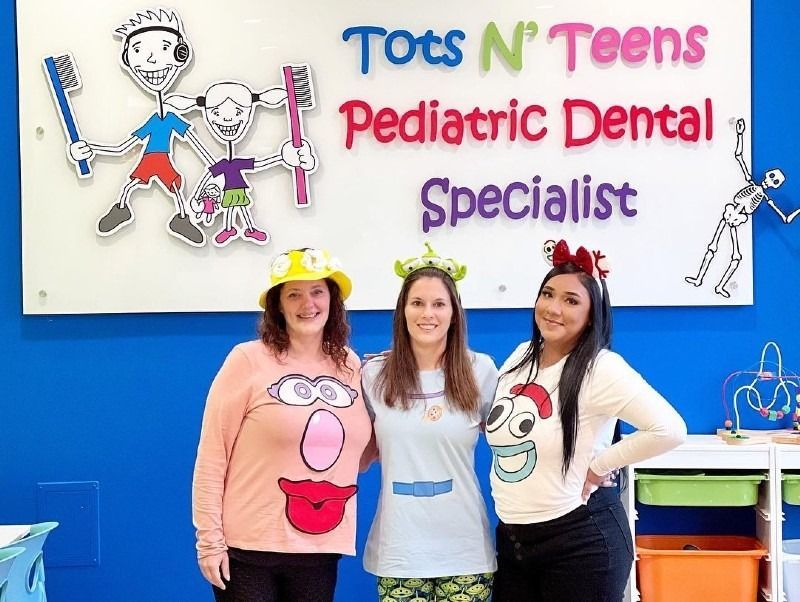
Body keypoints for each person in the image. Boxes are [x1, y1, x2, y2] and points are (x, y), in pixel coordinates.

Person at [486, 239, 687, 602]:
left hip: (581, 542)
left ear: (592, 314)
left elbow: (669, 429)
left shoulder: (600, 368)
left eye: (571, 300)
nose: (553, 308)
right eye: (547, 294)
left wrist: (599, 466)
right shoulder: (520, 357)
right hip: (514, 542)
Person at [192, 248, 372, 601]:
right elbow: (212, 457)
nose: (308, 303)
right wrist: (209, 542)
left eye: (318, 291)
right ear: (277, 305)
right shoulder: (247, 360)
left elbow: (356, 455)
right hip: (248, 551)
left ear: (333, 300)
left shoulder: (349, 365)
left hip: (320, 546)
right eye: (294, 294)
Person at [361, 243, 497, 602]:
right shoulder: (373, 374)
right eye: (417, 303)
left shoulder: (479, 371)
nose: (428, 314)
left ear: (454, 312)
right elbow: (352, 449)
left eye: (439, 304)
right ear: (402, 310)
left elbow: (517, 442)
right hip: (400, 552)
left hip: (465, 550)